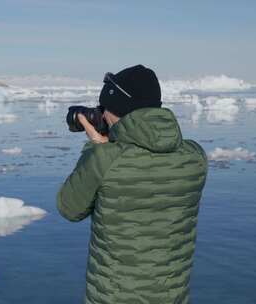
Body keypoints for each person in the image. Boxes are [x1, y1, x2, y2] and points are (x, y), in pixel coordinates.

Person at [57, 65, 208, 304]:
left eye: (104, 108)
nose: (102, 115)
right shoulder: (195, 156)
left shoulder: (105, 159)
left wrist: (96, 149)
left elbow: (69, 207)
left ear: (117, 109)